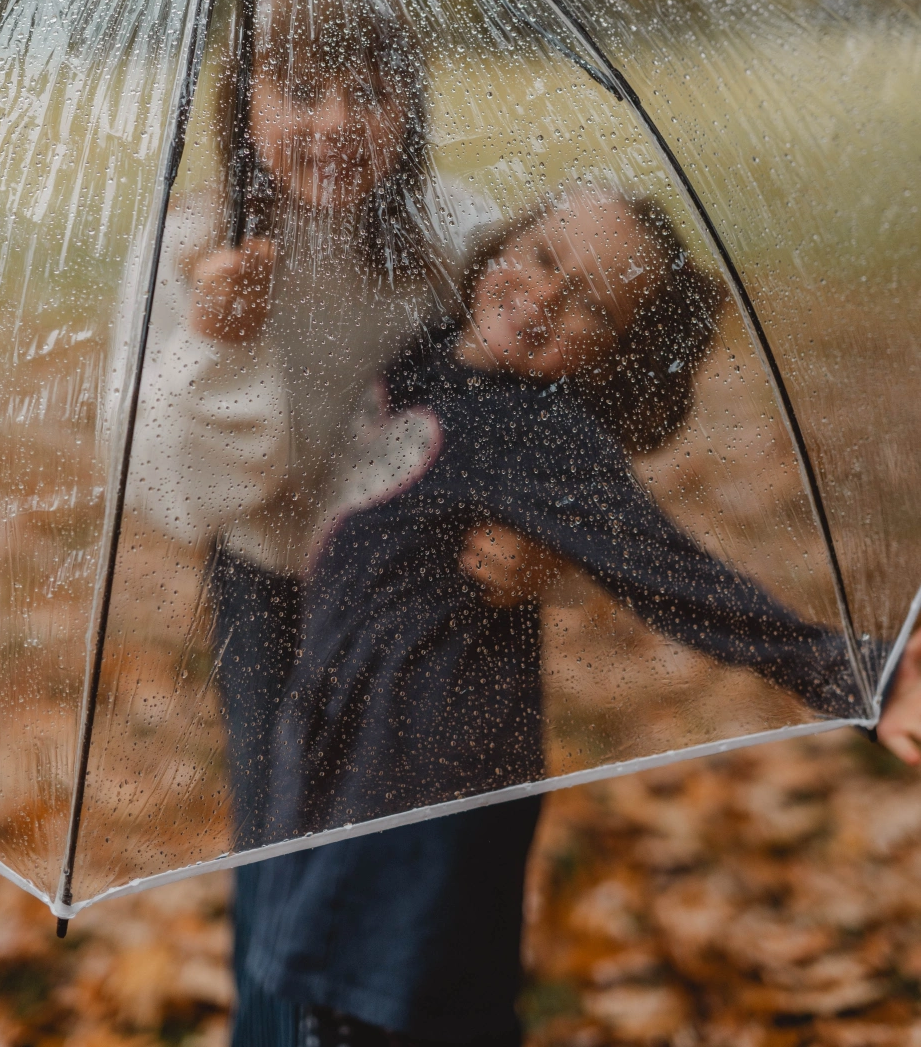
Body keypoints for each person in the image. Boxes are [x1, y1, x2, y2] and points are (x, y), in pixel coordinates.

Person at [236, 188, 921, 1047]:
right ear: (502, 244)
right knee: (344, 988)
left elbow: (670, 576)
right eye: (543, 255)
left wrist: (861, 671)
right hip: (342, 741)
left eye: (590, 302)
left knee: (388, 999)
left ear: (614, 353)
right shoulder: (416, 360)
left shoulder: (542, 434)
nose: (544, 294)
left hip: (429, 776)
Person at [128, 0, 497, 1037]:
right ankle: (277, 1022)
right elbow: (163, 481)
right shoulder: (196, 244)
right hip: (272, 594)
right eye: (299, 91)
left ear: (410, 105)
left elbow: (536, 411)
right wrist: (213, 342)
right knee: (287, 843)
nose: (335, 122)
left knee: (416, 848)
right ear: (243, 101)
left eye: (370, 92)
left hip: (421, 603)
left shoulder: (453, 237)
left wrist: (532, 537)